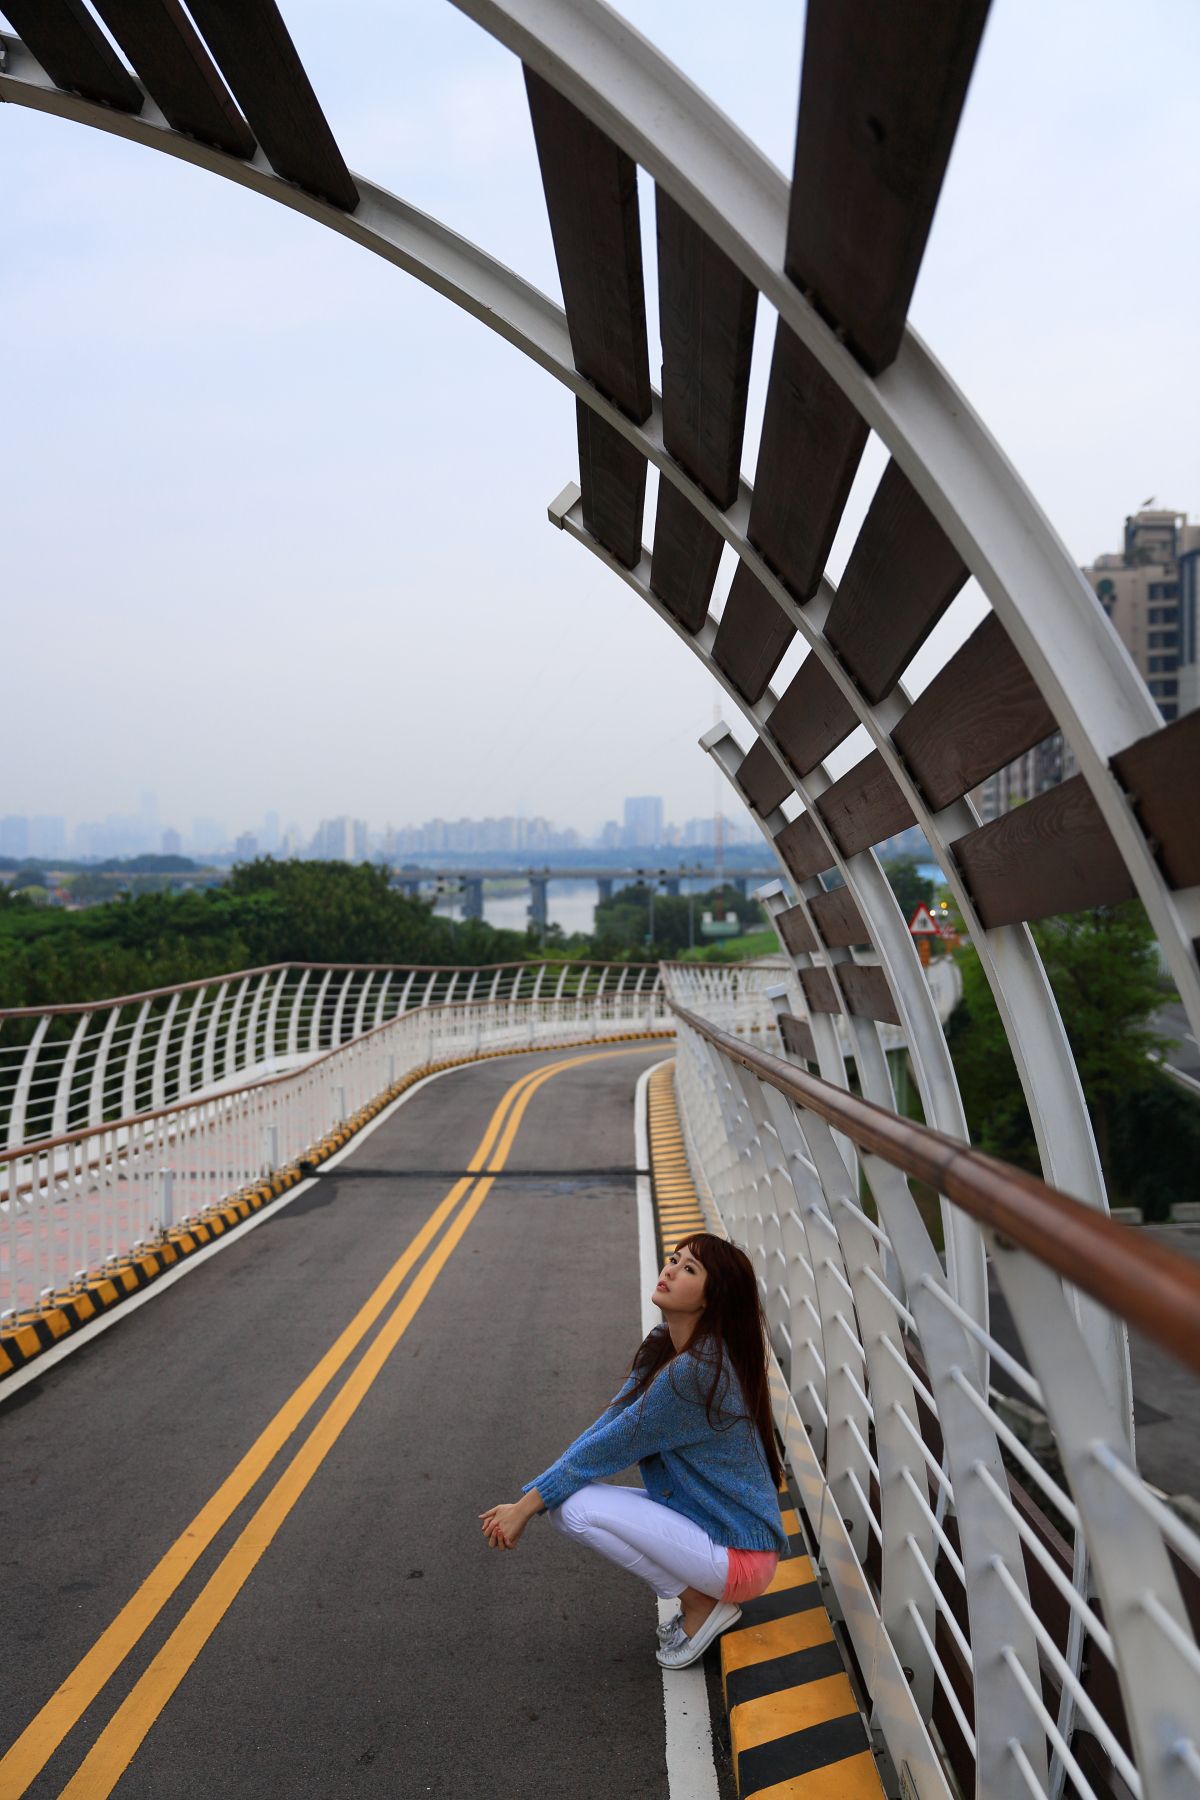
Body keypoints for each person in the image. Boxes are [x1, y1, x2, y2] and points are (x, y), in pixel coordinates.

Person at [479, 1233, 789, 1669]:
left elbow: (609, 1448)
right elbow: (606, 1428)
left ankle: (701, 1602)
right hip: (715, 1527)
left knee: (577, 1507)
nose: (670, 1271)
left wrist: (524, 1506)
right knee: (565, 1504)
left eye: (688, 1270)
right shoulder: (666, 1344)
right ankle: (700, 1599)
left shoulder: (695, 1373)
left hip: (739, 1554)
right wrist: (531, 1497)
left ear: (710, 1299)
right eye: (674, 1260)